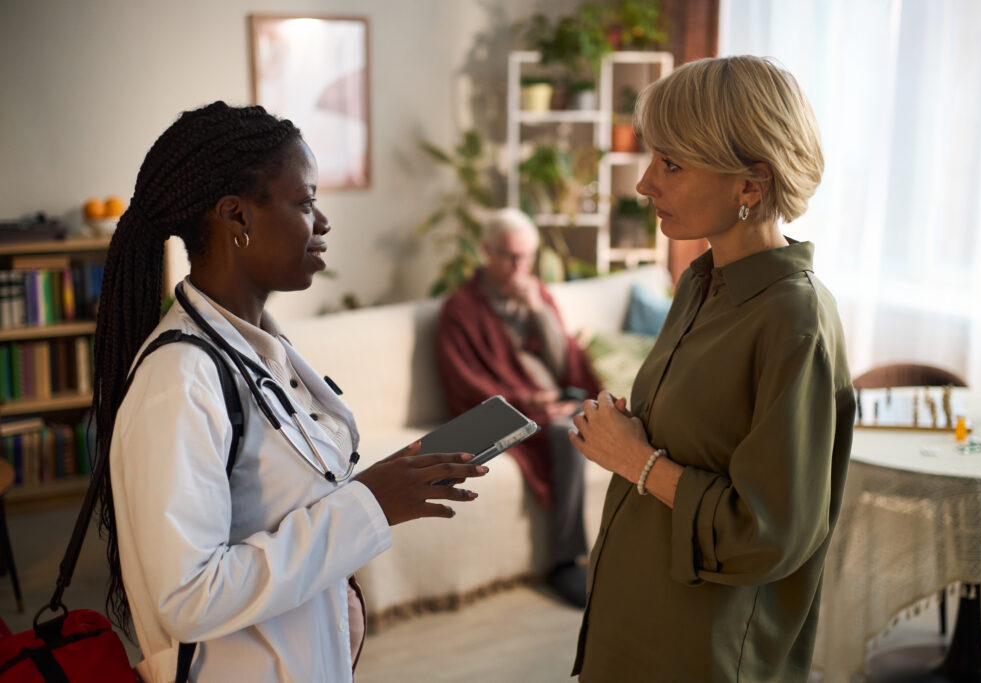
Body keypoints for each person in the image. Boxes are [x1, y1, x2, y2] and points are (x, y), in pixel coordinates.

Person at [93, 102, 488, 682]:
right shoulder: (179, 381)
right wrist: (369, 505)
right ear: (236, 217)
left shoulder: (259, 351)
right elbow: (187, 597)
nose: (323, 222)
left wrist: (387, 483)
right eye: (305, 202)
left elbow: (280, 505)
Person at [569, 56, 855, 681]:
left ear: (751, 185)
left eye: (671, 163)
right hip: (631, 628)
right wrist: (633, 435)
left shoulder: (795, 322)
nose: (645, 185)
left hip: (705, 652)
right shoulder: (699, 283)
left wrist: (635, 460)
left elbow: (766, 533)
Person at [435, 208, 602, 607]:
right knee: (569, 433)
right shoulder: (460, 309)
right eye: (510, 257)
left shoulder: (537, 293)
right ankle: (566, 562)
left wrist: (541, 314)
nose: (519, 267)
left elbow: (567, 367)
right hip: (507, 411)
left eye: (526, 257)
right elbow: (466, 384)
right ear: (486, 252)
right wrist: (532, 403)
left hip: (556, 401)